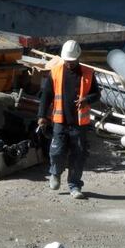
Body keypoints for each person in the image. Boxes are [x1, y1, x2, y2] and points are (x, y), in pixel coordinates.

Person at [37, 40, 100, 199]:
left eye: (72, 61)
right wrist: (42, 116)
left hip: (79, 124)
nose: (69, 64)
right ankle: (55, 173)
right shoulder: (56, 72)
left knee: (78, 155)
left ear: (78, 57)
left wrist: (87, 99)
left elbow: (97, 94)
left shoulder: (88, 73)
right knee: (57, 151)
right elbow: (46, 95)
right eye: (67, 61)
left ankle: (74, 186)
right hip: (60, 120)